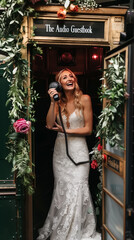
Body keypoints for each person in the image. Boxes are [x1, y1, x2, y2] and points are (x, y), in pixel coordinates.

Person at [37, 68, 101, 240]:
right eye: (64, 77)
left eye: (71, 75)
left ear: (75, 80)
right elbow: (50, 125)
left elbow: (88, 129)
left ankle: (78, 229)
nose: (69, 78)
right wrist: (52, 101)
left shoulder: (85, 99)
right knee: (63, 189)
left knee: (79, 187)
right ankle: (61, 226)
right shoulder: (58, 103)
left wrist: (66, 131)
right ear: (58, 84)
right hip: (61, 154)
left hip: (79, 151)